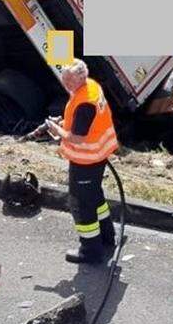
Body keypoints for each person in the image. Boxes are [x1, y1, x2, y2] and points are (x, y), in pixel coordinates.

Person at [45, 59, 119, 264]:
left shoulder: (85, 102)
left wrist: (57, 130)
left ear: (80, 78)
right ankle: (107, 237)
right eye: (64, 79)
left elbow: (78, 137)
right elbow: (82, 122)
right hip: (98, 156)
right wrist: (65, 122)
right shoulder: (91, 86)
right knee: (95, 196)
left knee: (82, 205)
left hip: (86, 160)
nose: (65, 84)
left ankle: (90, 251)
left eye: (69, 81)